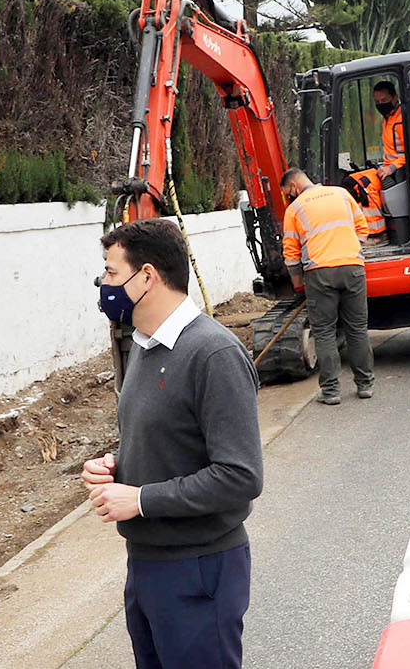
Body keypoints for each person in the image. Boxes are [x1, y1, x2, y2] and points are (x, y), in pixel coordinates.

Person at [82, 219, 264, 669]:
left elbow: (240, 476)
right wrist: (117, 466)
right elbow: (170, 440)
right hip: (147, 565)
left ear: (146, 277)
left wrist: (141, 499)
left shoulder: (212, 353)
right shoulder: (145, 347)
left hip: (198, 570)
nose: (103, 285)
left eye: (110, 273)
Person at [279, 167, 375, 405]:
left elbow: (291, 253)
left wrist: (298, 284)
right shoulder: (341, 194)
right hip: (353, 268)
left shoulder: (295, 208)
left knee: (324, 333)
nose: (289, 196)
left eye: (287, 192)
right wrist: (350, 249)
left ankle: (331, 392)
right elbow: (363, 228)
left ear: (293, 187)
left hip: (319, 273)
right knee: (357, 329)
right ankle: (365, 385)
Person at [370, 81, 408, 237]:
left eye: (384, 101)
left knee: (366, 187)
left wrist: (391, 168)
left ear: (394, 98)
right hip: (390, 170)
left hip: (402, 171)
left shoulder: (401, 120)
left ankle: (376, 233)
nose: (380, 105)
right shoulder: (387, 118)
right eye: (377, 102)